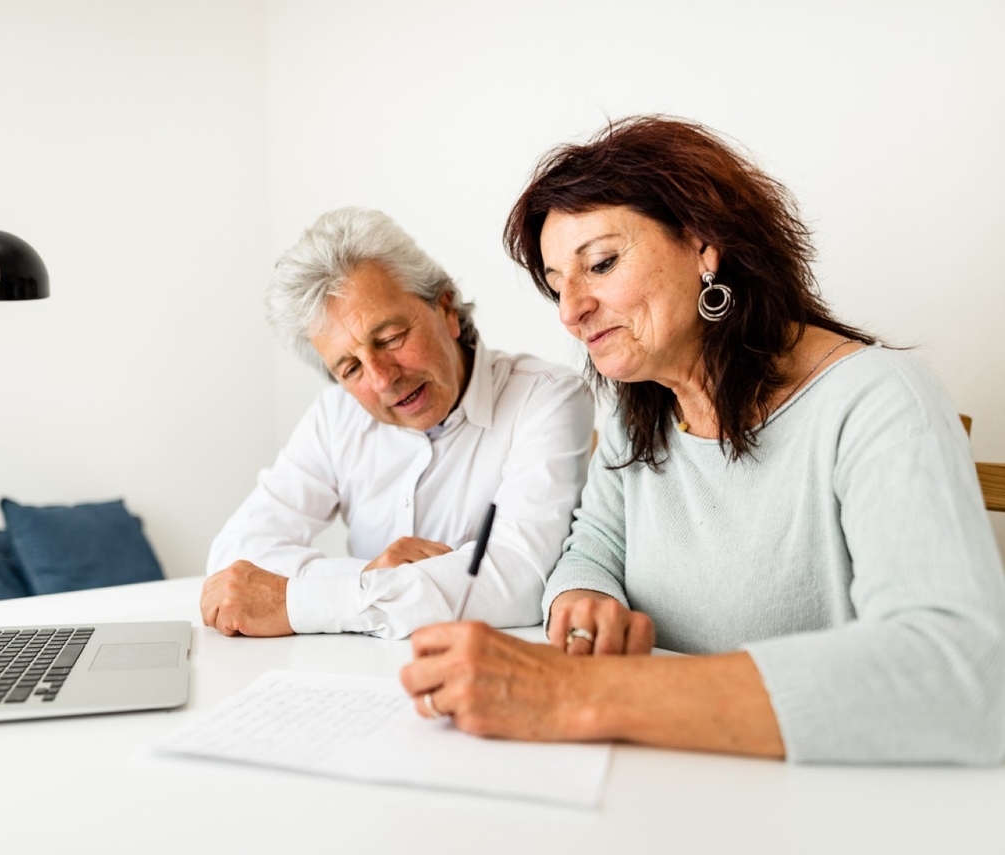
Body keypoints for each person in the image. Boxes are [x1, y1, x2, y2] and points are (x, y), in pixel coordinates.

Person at [399, 116, 1005, 764]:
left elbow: (958, 674)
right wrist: (585, 601)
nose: (570, 310)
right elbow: (591, 550)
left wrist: (579, 693)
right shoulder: (642, 417)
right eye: (555, 286)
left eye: (599, 264)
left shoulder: (881, 400)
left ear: (705, 246)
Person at [202, 207, 595, 640]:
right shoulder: (336, 416)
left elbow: (518, 578)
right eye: (350, 369)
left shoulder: (547, 396)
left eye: (390, 339)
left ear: (446, 308)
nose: (383, 378)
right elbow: (233, 559)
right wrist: (368, 576)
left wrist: (304, 600)